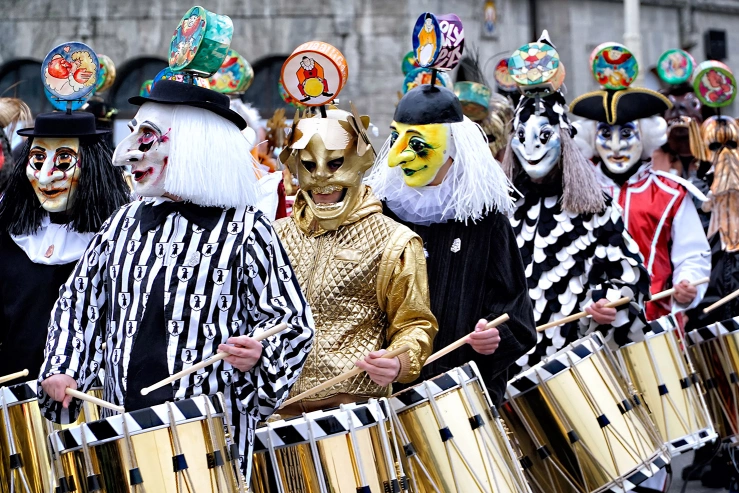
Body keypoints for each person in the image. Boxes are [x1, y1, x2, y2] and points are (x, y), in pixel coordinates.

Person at [37, 78, 314, 474]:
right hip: (124, 427)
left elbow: (292, 324)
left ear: (194, 145)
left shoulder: (248, 228)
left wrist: (259, 355)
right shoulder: (122, 223)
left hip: (213, 440)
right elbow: (78, 304)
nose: (123, 155)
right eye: (133, 133)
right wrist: (64, 366)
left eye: (146, 136)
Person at [365, 83, 536, 405]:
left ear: (452, 147)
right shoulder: (380, 214)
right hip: (385, 393)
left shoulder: (485, 220)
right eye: (394, 138)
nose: (397, 157)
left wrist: (495, 338)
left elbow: (517, 314)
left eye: (417, 143)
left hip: (463, 397)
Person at [274, 103, 437, 415]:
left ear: (359, 162)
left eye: (335, 163)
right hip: (276, 414)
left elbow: (414, 323)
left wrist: (399, 361)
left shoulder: (395, 241)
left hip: (354, 416)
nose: (321, 178)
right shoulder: (274, 236)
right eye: (309, 165)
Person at [500, 33, 649, 372]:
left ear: (563, 139)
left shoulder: (596, 207)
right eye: (522, 138)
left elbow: (627, 273)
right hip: (513, 368)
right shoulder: (503, 212)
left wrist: (609, 302)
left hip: (579, 366)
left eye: (543, 137)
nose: (531, 149)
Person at [571, 49, 711, 321]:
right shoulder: (576, 195)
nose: (615, 146)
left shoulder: (670, 193)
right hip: (589, 333)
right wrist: (588, 305)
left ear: (645, 136)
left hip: (656, 324)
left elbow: (693, 255)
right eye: (605, 134)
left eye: (626, 134)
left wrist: (688, 285)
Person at [0, 105, 130, 387]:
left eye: (63, 160)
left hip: (88, 396)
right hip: (13, 396)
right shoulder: (6, 235)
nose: (45, 175)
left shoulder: (123, 241)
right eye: (37, 159)